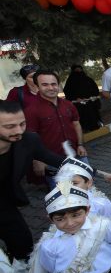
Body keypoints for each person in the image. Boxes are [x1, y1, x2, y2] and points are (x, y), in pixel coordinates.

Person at [0, 100, 64, 260]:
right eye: (10, 127)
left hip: (5, 204)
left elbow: (55, 159)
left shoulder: (28, 141)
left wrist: (98, 173)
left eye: (22, 124)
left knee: (24, 246)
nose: (19, 130)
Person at [63, 64, 102, 132]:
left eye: (80, 70)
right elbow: (67, 92)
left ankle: (96, 128)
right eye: (76, 71)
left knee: (93, 116)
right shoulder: (70, 82)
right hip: (79, 105)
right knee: (82, 119)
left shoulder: (88, 79)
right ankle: (84, 130)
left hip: (90, 103)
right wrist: (76, 98)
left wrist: (93, 97)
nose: (79, 73)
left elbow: (95, 89)